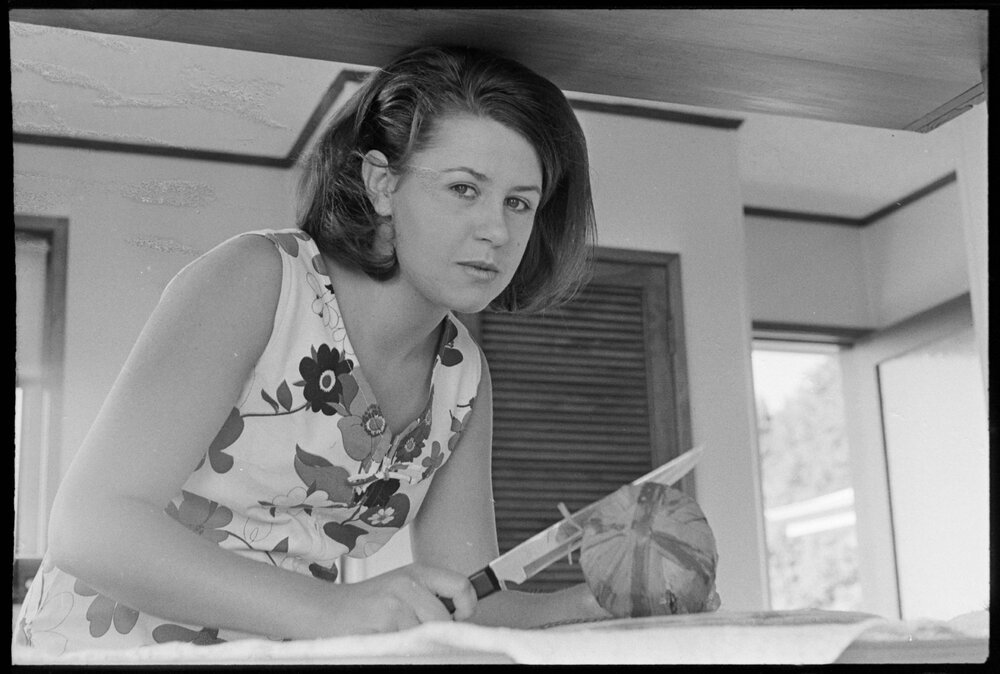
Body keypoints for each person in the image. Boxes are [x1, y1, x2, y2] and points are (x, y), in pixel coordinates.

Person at [14, 44, 605, 654]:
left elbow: (470, 602)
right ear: (382, 183)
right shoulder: (258, 280)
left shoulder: (463, 378)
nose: (497, 230)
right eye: (463, 189)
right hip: (102, 648)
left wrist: (600, 602)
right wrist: (338, 607)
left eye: (518, 202)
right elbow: (90, 528)